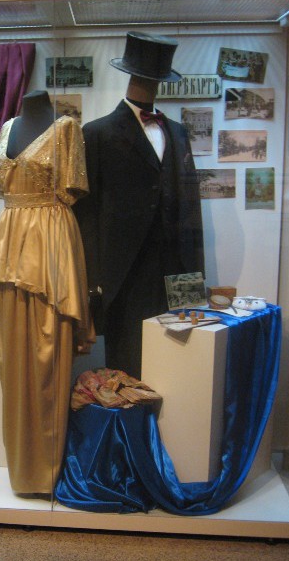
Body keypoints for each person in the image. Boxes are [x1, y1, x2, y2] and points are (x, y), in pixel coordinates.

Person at [0, 90, 95, 494]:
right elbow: (3, 190)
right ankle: (21, 471)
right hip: (11, 242)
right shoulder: (6, 129)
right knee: (12, 361)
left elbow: (72, 192)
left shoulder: (67, 129)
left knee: (49, 356)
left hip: (50, 243)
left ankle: (47, 473)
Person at [74, 33, 204, 378]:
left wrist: (195, 278)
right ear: (132, 76)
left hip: (174, 270)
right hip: (123, 276)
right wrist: (92, 281)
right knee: (126, 366)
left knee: (177, 364)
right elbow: (85, 214)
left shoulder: (178, 133)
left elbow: (191, 207)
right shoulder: (96, 134)